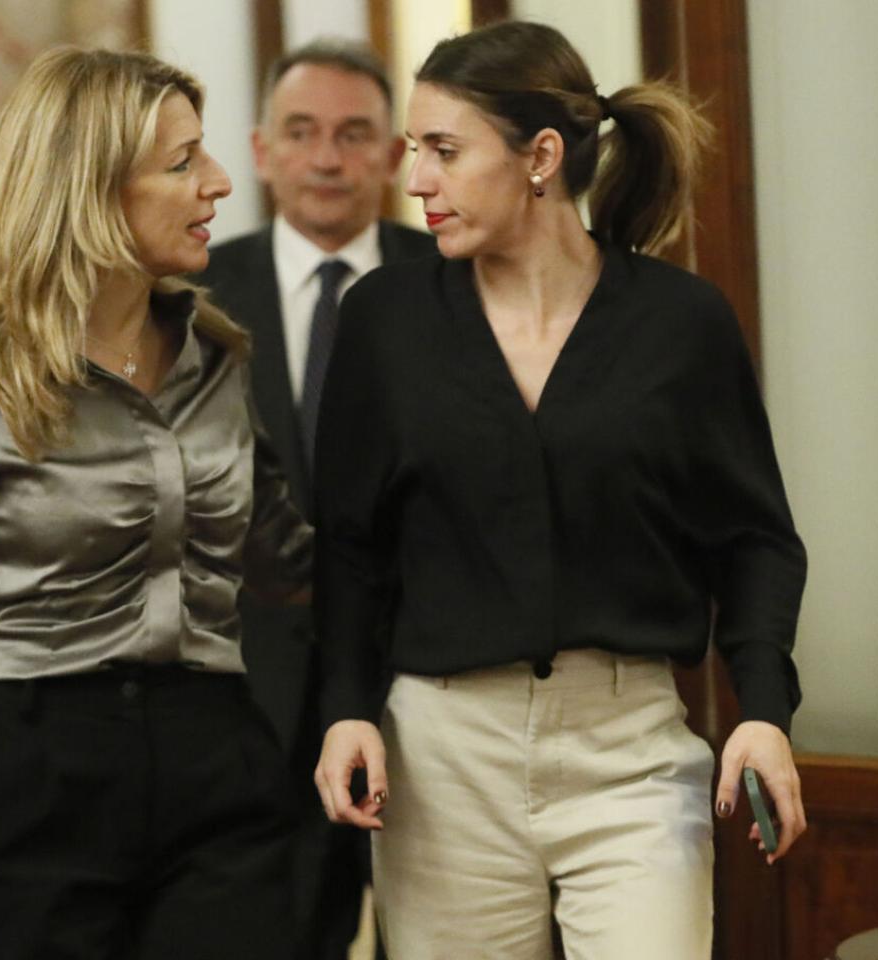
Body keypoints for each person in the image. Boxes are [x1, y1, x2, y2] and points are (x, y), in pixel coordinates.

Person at [311, 20, 809, 959]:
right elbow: (348, 545)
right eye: (415, 150)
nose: (415, 181)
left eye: (444, 151)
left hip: (630, 754)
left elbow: (754, 540)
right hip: (442, 759)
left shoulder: (682, 323)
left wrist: (763, 712)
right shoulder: (382, 320)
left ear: (540, 157)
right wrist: (344, 708)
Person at [0, 47, 311, 960]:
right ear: (91, 191)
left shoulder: (217, 359)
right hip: (33, 774)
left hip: (216, 758)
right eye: (182, 162)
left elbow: (289, 561)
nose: (220, 182)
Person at [194, 38, 435, 960]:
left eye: (353, 134)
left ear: (395, 154)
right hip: (252, 694)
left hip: (427, 681)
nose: (327, 158)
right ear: (261, 152)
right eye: (301, 132)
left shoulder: (454, 281)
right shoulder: (191, 296)